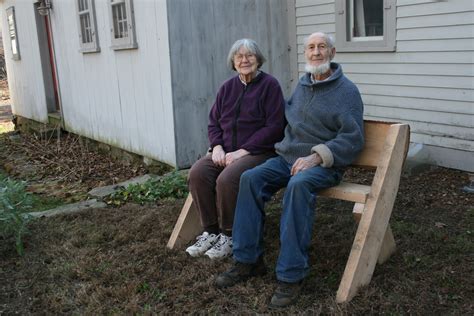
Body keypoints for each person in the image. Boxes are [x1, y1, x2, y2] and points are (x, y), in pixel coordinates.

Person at [215, 32, 365, 308]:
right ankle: (247, 260)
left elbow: (353, 139)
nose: (316, 52)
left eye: (322, 47)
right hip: (287, 159)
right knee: (250, 178)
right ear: (305, 53)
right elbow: (286, 120)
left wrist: (317, 156)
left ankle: (290, 275)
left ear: (332, 53)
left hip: (323, 165)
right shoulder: (304, 85)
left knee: (297, 187)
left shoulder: (346, 92)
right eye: (311, 48)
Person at [185, 39, 286, 260]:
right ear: (233, 61)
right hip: (225, 151)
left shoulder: (270, 86)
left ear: (258, 59)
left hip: (259, 152)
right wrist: (217, 147)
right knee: (198, 173)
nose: (244, 60)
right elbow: (214, 122)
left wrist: (243, 151)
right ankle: (210, 231)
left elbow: (275, 127)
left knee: (227, 179)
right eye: (239, 56)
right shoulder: (227, 88)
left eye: (249, 55)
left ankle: (229, 236)